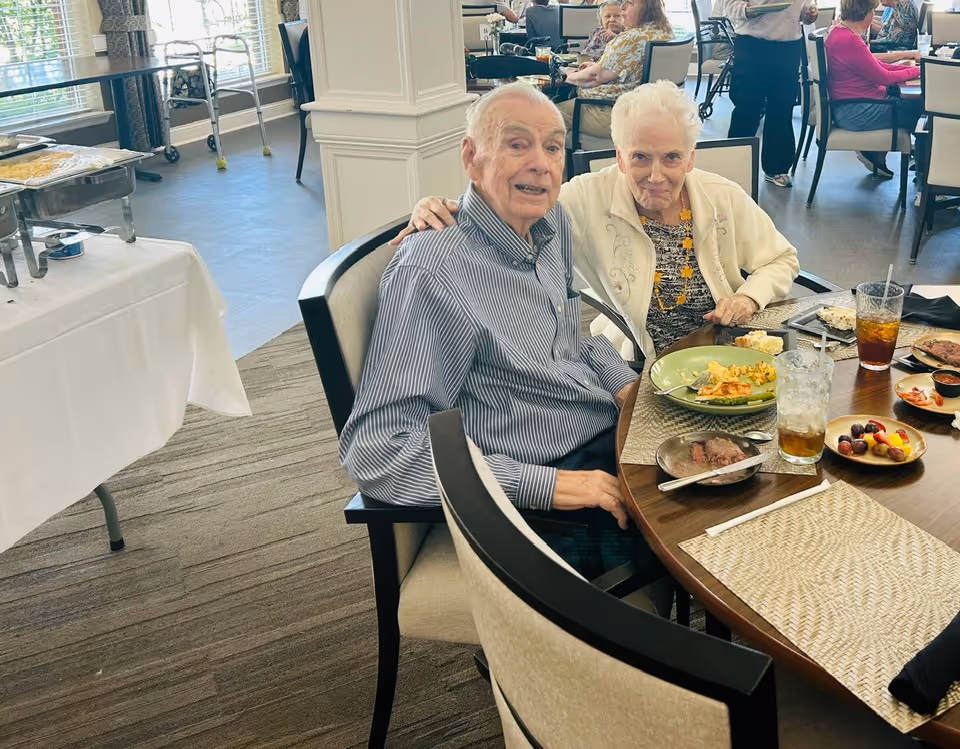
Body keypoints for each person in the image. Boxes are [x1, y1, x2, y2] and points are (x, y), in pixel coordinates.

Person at [340, 83, 669, 603]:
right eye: (517, 144)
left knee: (735, 462)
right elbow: (379, 453)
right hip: (536, 490)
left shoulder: (550, 223)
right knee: (704, 523)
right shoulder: (432, 269)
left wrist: (627, 387)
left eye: (553, 147)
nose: (541, 163)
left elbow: (570, 337)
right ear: (472, 158)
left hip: (603, 429)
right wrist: (550, 487)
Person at [393, 82, 799, 359]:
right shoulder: (585, 198)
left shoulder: (720, 196)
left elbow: (782, 260)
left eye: (671, 157)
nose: (656, 175)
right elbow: (512, 209)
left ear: (690, 158)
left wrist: (748, 297)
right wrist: (446, 206)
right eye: (640, 156)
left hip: (728, 352)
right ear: (619, 156)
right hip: (638, 364)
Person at [721, 0, 819, 188]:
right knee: (747, 107)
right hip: (752, 45)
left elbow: (805, 5)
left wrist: (809, 12)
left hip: (788, 45)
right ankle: (735, 166)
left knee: (782, 108)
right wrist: (749, 11)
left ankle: (777, 168)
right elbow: (730, 6)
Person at [826, 0, 922, 178]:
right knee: (923, 110)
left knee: (916, 106)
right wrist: (916, 71)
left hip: (852, 107)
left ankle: (881, 156)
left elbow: (879, 67)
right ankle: (927, 177)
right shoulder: (850, 41)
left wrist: (915, 71)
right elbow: (883, 77)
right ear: (867, 14)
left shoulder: (840, 33)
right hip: (857, 111)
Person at [557, 0, 674, 142]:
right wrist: (598, 65)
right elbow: (628, 69)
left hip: (614, 112)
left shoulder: (631, 38)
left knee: (550, 115)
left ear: (647, 8)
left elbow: (594, 77)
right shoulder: (664, 33)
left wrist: (566, 75)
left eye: (629, 3)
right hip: (653, 113)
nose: (622, 6)